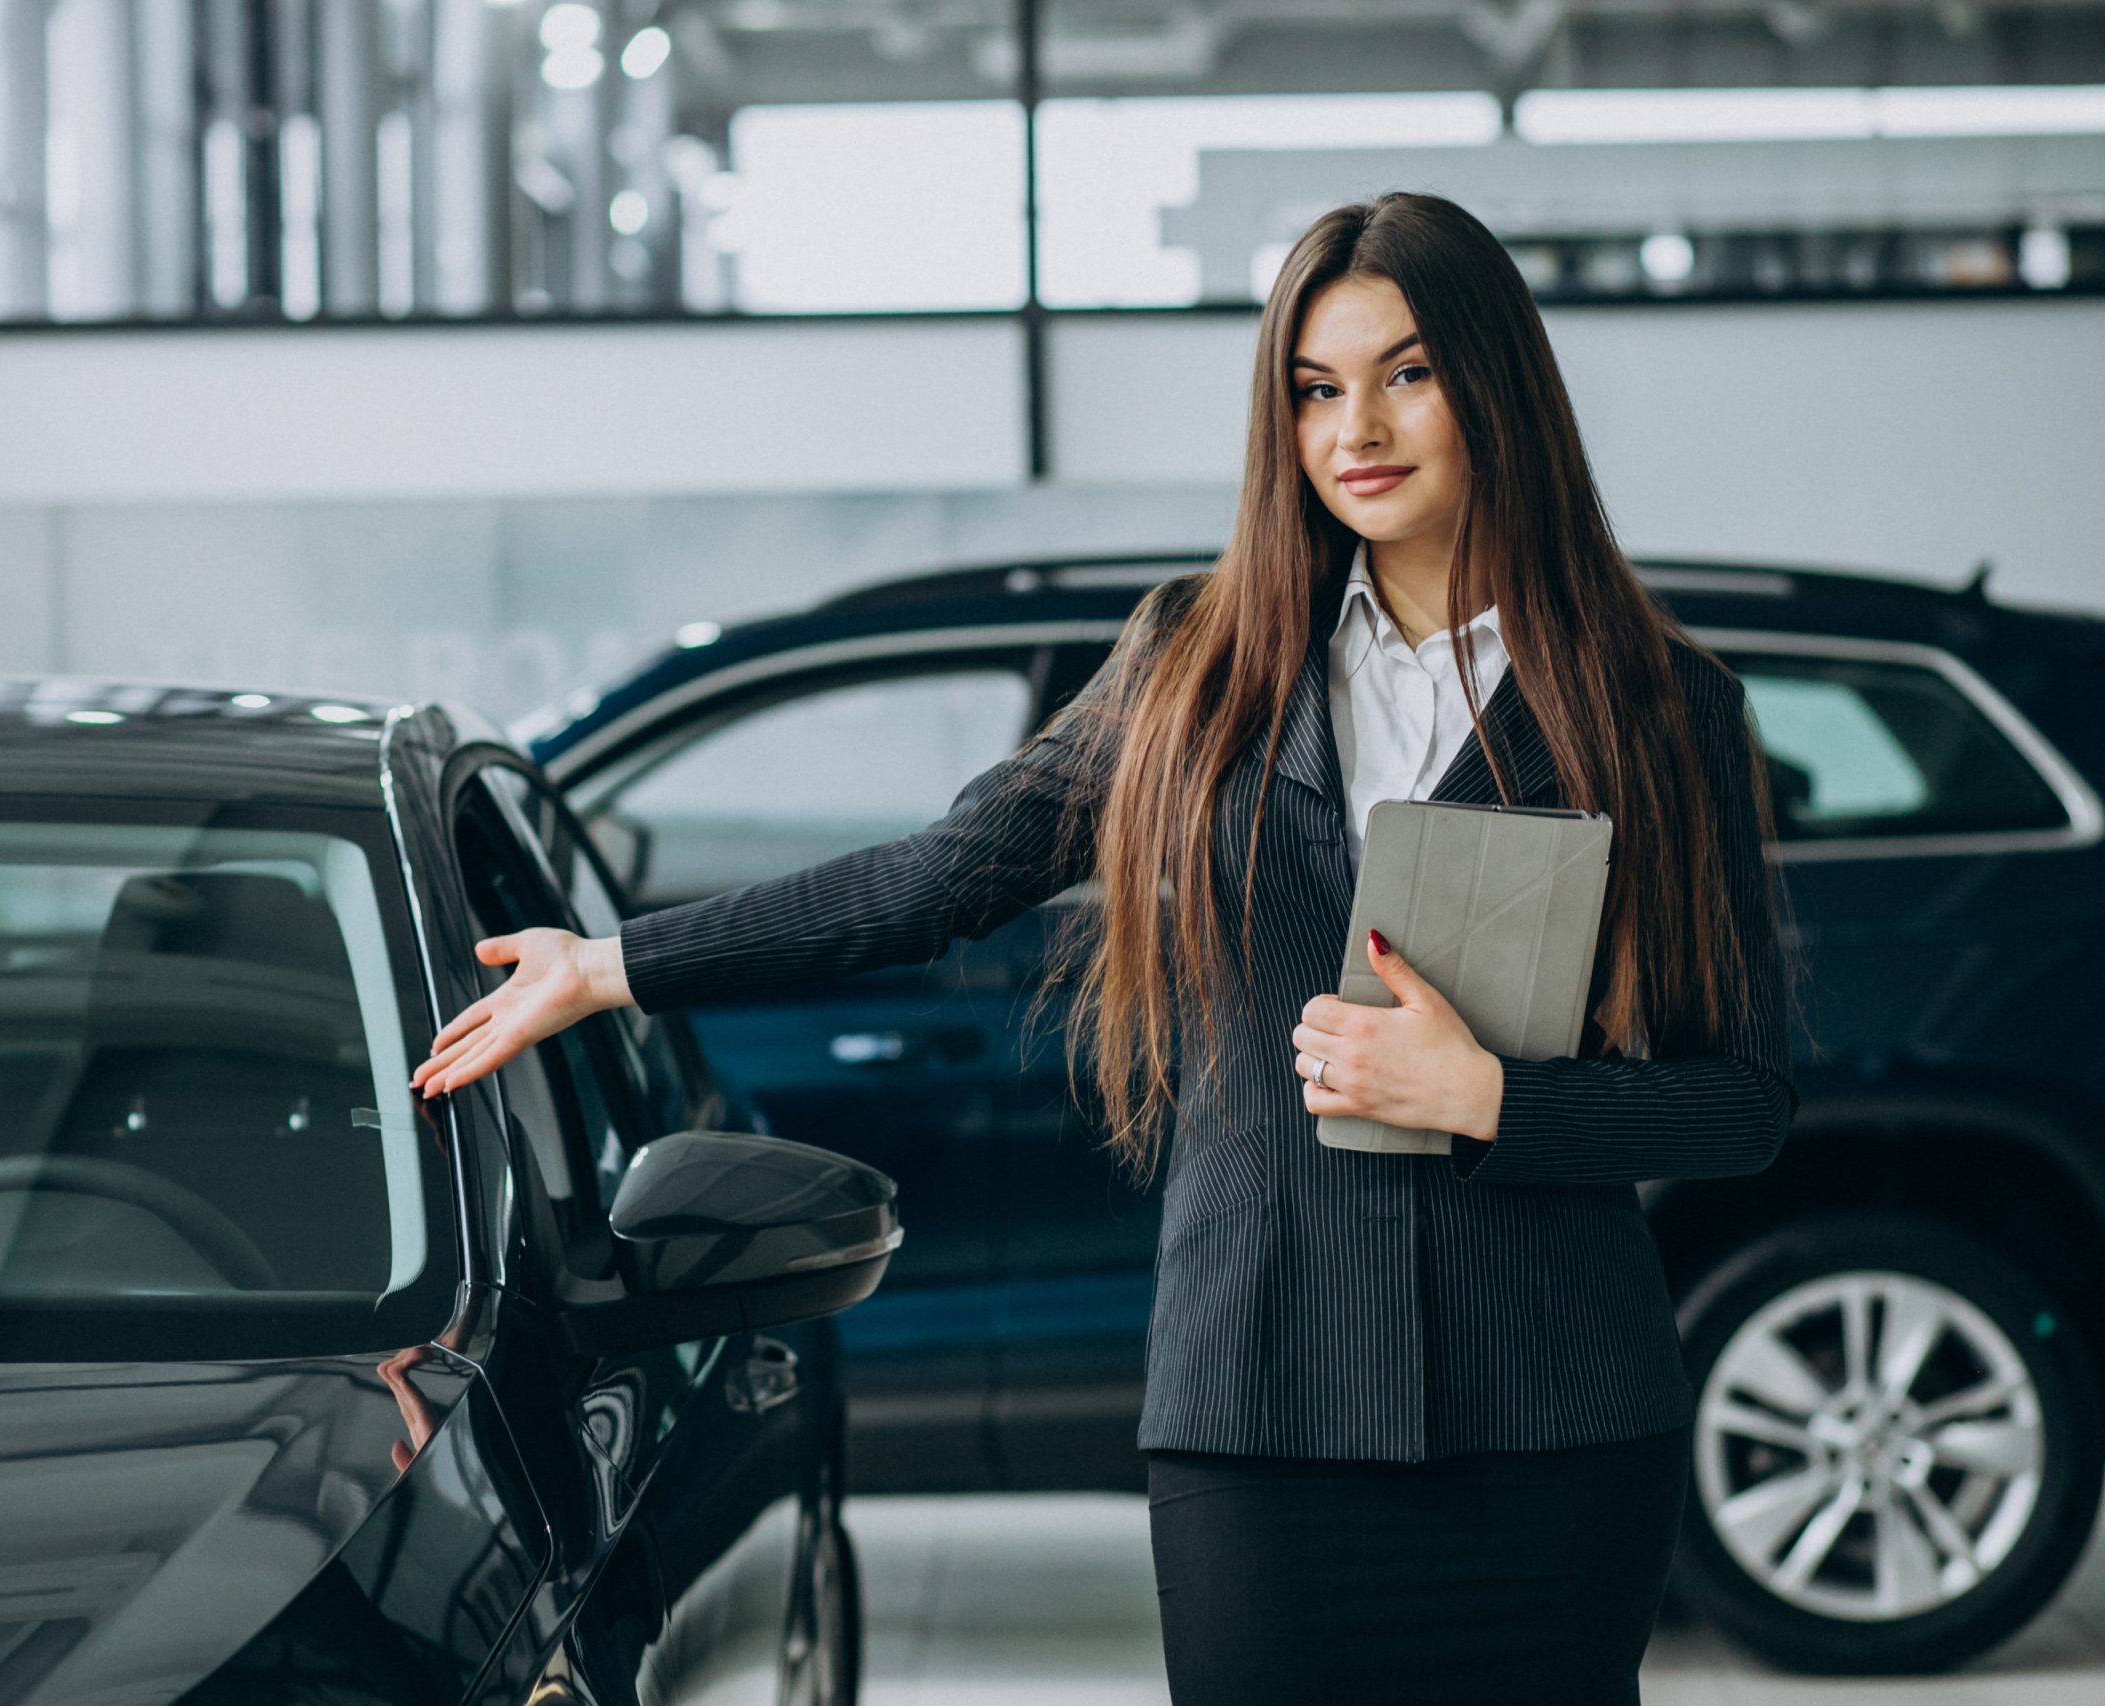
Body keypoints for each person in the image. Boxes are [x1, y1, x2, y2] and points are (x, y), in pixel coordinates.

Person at [408, 189, 1804, 1706]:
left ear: (1497, 385)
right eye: (1315, 391)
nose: (1359, 429)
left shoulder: (1664, 706)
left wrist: (1491, 1098)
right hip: (1262, 1410)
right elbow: (941, 877)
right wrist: (610, 964)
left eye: (1407, 373)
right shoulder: (1192, 668)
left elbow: (1741, 1100)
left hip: (1560, 1422)